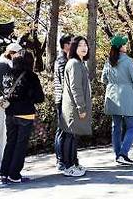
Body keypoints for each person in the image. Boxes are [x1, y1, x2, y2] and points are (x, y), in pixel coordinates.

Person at [0, 51, 45, 184]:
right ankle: (14, 174)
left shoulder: (8, 74)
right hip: (25, 114)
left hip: (10, 113)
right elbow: (39, 98)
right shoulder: (31, 76)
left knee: (10, 143)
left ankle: (4, 172)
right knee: (20, 145)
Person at [102, 35, 133, 166]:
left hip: (112, 95)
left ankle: (118, 155)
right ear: (121, 47)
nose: (126, 45)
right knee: (132, 125)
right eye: (125, 44)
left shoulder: (108, 61)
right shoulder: (128, 60)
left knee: (116, 127)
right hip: (127, 96)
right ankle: (123, 154)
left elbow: (103, 79)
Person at [60, 36, 92, 177]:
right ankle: (68, 166)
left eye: (85, 45)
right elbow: (75, 88)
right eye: (80, 45)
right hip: (73, 107)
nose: (84, 47)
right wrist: (81, 107)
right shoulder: (73, 63)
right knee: (69, 136)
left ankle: (73, 163)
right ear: (74, 47)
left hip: (74, 106)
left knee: (73, 136)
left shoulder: (79, 63)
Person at [0, 41, 23, 178]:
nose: (20, 55)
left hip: (7, 105)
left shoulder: (10, 66)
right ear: (11, 54)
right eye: (18, 53)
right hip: (1, 105)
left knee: (7, 136)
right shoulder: (3, 66)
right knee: (1, 136)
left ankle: (5, 166)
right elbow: (4, 88)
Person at [53, 34, 72, 171]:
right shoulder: (61, 60)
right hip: (63, 100)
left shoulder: (66, 59)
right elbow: (64, 81)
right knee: (62, 130)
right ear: (66, 45)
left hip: (65, 99)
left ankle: (65, 158)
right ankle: (60, 160)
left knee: (64, 130)